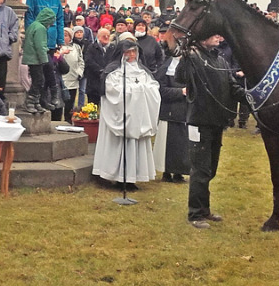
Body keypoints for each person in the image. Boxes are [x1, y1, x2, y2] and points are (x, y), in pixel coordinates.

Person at [176, 34, 245, 228]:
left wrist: (251, 97)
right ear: (202, 38)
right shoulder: (193, 57)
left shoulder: (220, 59)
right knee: (200, 169)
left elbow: (231, 86)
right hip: (199, 121)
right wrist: (185, 57)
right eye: (213, 34)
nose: (218, 37)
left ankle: (204, 209)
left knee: (210, 168)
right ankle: (195, 214)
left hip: (217, 121)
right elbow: (180, 77)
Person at [92, 40, 159, 189]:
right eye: (127, 52)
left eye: (134, 52)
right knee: (118, 145)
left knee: (136, 144)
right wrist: (135, 91)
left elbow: (153, 87)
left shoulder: (143, 71)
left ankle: (131, 178)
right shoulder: (113, 71)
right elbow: (112, 91)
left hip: (138, 115)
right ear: (120, 54)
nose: (131, 55)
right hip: (120, 114)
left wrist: (142, 90)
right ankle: (114, 176)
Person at [153, 33, 190, 183]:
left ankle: (180, 171)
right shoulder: (165, 68)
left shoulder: (189, 67)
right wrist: (180, 92)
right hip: (169, 109)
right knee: (168, 143)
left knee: (183, 143)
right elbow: (160, 89)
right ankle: (167, 171)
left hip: (185, 111)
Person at [25, 0, 65, 109]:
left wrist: (60, 39)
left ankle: (44, 99)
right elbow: (29, 18)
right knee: (38, 74)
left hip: (51, 41)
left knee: (49, 73)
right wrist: (32, 34)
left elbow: (60, 19)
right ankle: (35, 100)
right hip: (38, 40)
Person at [21, 8, 57, 114]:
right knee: (38, 81)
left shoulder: (33, 25)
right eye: (51, 22)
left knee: (38, 80)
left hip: (31, 57)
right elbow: (40, 45)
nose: (50, 25)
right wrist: (44, 59)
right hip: (36, 59)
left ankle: (36, 102)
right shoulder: (40, 28)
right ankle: (30, 102)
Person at [84, 28, 115, 106]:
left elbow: (114, 62)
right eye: (104, 36)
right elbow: (89, 61)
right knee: (92, 107)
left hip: (109, 82)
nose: (106, 37)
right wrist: (100, 70)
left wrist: (107, 71)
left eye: (108, 35)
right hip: (93, 82)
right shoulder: (91, 47)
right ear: (98, 36)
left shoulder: (113, 48)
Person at [61, 28, 84, 123]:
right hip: (62, 79)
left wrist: (79, 72)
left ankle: (68, 120)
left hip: (73, 78)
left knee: (70, 104)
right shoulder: (57, 47)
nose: (64, 37)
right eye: (62, 35)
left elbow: (81, 61)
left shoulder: (76, 47)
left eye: (66, 35)